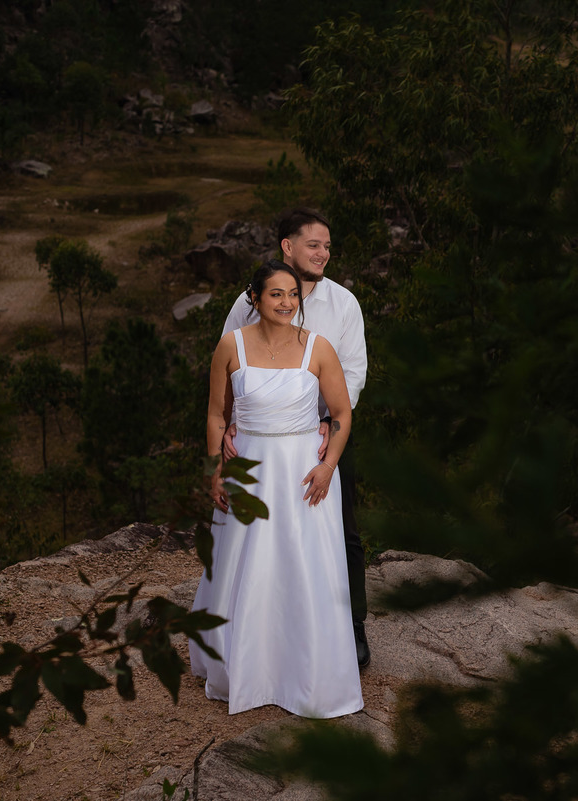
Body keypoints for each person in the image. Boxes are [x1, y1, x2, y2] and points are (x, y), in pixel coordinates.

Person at [190, 260, 362, 718]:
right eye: (276, 294)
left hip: (304, 472)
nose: (287, 303)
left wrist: (328, 466)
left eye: (293, 295)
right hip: (248, 467)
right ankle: (245, 668)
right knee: (244, 565)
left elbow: (342, 414)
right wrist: (213, 471)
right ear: (254, 299)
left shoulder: (318, 348)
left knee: (304, 567)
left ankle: (308, 673)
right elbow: (215, 415)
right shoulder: (231, 346)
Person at [219, 208, 372, 668]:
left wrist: (328, 421)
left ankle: (351, 627)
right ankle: (262, 633)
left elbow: (354, 371)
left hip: (324, 433)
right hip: (260, 436)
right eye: (314, 245)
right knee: (262, 535)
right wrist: (230, 421)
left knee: (341, 535)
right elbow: (229, 363)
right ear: (287, 246)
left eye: (327, 246)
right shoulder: (247, 302)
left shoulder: (343, 303)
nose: (324, 253)